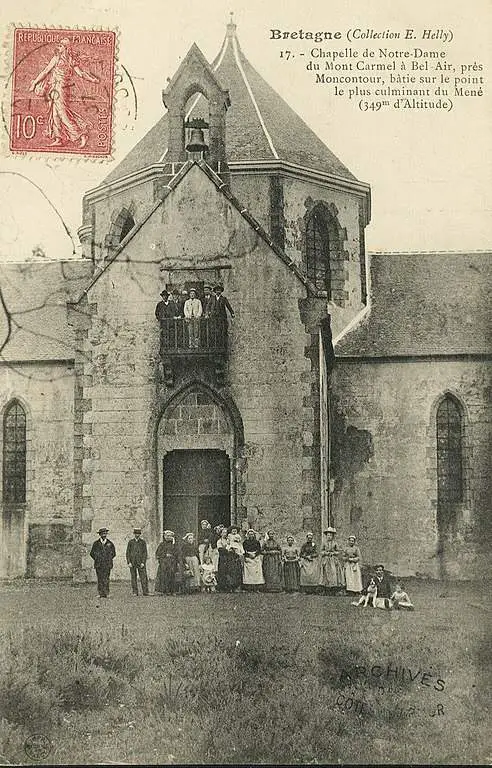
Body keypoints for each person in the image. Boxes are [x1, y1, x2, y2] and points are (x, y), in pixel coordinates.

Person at [28, 38, 99, 148]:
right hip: (54, 88)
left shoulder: (71, 60)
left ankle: (81, 134)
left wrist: (92, 79)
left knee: (62, 113)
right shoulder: (57, 58)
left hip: (61, 88)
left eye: (61, 46)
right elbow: (46, 71)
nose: (58, 47)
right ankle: (59, 138)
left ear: (66, 48)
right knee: (55, 113)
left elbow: (81, 74)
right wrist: (35, 83)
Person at [89, 527, 116, 598]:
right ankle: (100, 593)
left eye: (105, 533)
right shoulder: (96, 543)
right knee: (100, 578)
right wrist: (97, 559)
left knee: (106, 578)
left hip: (107, 564)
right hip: (99, 565)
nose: (104, 535)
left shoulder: (110, 543)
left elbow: (113, 553)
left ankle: (106, 593)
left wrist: (108, 559)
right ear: (100, 535)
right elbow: (92, 553)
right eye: (102, 533)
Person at [320, 527, 345, 594]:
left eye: (330, 535)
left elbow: (338, 552)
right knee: (326, 572)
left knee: (334, 572)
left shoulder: (335, 543)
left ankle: (334, 588)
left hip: (333, 560)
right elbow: (321, 551)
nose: (329, 537)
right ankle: (326, 588)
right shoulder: (324, 543)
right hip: (326, 559)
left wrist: (333, 553)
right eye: (328, 535)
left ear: (333, 536)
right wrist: (326, 553)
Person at [126, 527, 149, 596]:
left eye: (138, 533)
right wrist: (129, 562)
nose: (137, 535)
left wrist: (143, 562)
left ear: (140, 534)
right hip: (132, 562)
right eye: (136, 533)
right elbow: (128, 553)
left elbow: (145, 553)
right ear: (134, 534)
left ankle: (145, 591)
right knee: (133, 577)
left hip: (140, 562)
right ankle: (135, 592)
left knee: (143, 577)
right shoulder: (131, 542)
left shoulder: (142, 542)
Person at [155, 530, 178, 595]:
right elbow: (158, 553)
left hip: (172, 562)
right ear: (164, 536)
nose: (168, 537)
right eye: (167, 536)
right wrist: (165, 555)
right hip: (164, 562)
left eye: (170, 536)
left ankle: (172, 591)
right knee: (163, 576)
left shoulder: (174, 545)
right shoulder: (162, 544)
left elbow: (177, 553)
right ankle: (164, 591)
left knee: (172, 576)